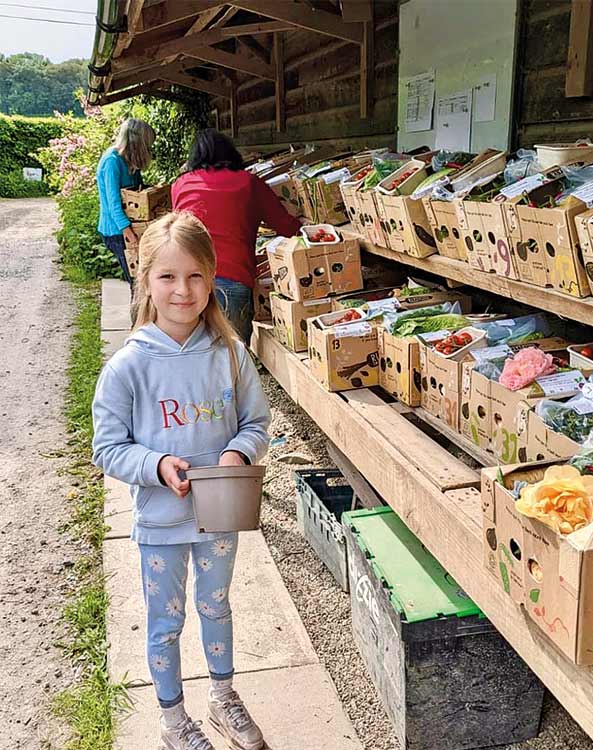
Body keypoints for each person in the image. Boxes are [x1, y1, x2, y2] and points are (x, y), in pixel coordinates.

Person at [92, 211, 271, 750]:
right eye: (167, 276)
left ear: (212, 277)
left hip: (219, 518)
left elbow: (255, 423)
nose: (182, 289)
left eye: (195, 275)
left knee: (216, 606)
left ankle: (223, 697)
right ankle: (173, 719)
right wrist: (155, 465)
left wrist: (239, 453)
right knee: (164, 623)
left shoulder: (231, 355)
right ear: (145, 278)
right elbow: (108, 447)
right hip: (160, 523)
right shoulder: (128, 367)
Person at [171, 128, 302, 344]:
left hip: (189, 279)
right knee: (231, 360)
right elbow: (285, 226)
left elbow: (178, 230)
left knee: (191, 359)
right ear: (231, 154)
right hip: (234, 278)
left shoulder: (182, 184)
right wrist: (311, 227)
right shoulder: (249, 183)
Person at [96, 118, 156, 288]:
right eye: (147, 145)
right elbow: (113, 203)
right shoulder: (112, 161)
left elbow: (138, 191)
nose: (149, 149)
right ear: (136, 142)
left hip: (131, 228)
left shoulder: (129, 159)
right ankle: (138, 315)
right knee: (137, 284)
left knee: (144, 280)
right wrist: (129, 234)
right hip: (117, 232)